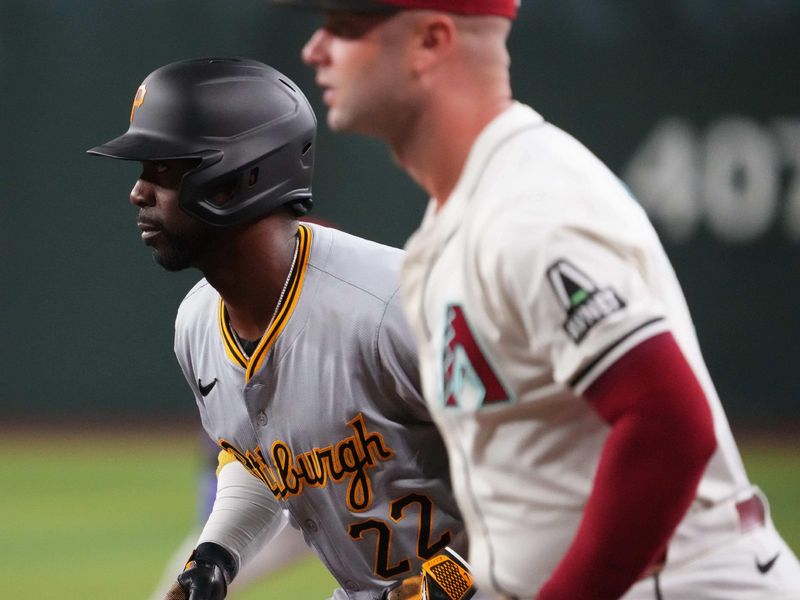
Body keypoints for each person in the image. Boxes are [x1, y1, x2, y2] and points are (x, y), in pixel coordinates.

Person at [273, 1, 800, 598]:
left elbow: (668, 422)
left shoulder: (528, 209)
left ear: (430, 41)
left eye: (344, 28)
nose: (315, 48)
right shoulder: (461, 218)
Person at [88, 57, 481, 600]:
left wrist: (446, 584)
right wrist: (216, 555)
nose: (138, 193)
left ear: (235, 178)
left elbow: (546, 475)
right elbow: (261, 458)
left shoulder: (396, 304)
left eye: (162, 170)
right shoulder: (197, 323)